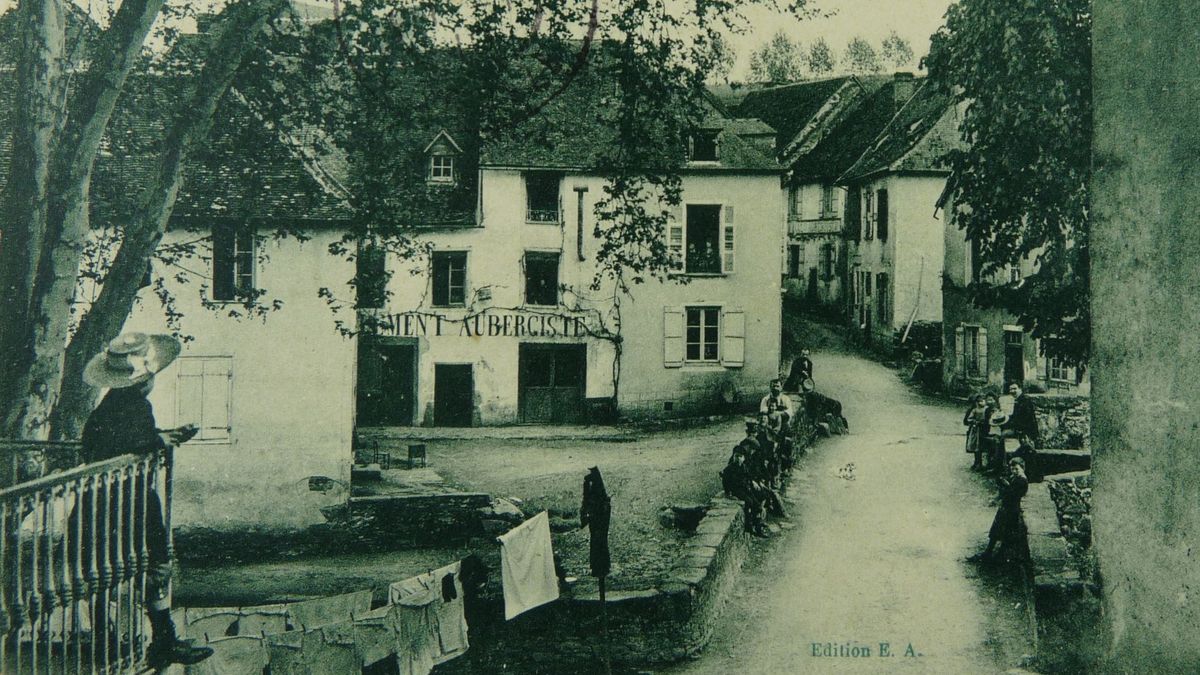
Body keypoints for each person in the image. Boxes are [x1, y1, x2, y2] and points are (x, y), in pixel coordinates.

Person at [79, 332, 212, 669]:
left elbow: (127, 440)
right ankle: (163, 641)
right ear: (144, 379)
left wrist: (161, 438)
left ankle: (104, 639)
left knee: (104, 569)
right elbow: (135, 442)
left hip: (99, 501)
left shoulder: (108, 407)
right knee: (156, 562)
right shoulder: (137, 406)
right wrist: (161, 442)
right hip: (129, 502)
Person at [969, 457, 1030, 564]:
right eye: (1012, 469)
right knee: (996, 532)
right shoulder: (1014, 477)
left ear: (1022, 468)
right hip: (1006, 507)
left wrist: (1006, 485)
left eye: (1016, 469)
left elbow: (1013, 494)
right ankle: (989, 553)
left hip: (1012, 509)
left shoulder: (1022, 481)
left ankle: (997, 556)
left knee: (1006, 533)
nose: (1014, 471)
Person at [963, 394, 989, 471]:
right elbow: (968, 419)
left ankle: (983, 464)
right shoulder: (975, 410)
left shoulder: (987, 409)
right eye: (979, 401)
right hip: (976, 430)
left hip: (985, 429)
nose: (981, 403)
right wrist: (975, 421)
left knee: (983, 446)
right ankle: (977, 462)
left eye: (982, 401)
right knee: (976, 447)